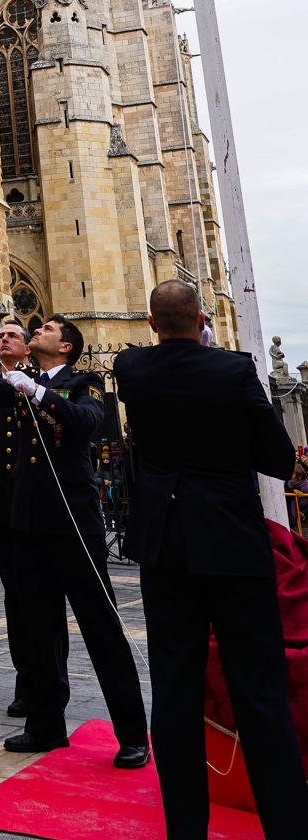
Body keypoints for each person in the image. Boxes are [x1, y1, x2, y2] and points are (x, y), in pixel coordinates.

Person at [115, 280, 308, 838]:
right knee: (259, 691)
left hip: (166, 546)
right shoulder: (233, 371)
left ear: (151, 324)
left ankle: (185, 830)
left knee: (175, 691)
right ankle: (288, 826)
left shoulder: (133, 371)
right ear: (204, 321)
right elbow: (275, 455)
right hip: (230, 543)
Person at [0, 311, 150, 768]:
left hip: (73, 524)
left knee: (100, 626)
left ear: (66, 346)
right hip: (29, 523)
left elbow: (87, 422)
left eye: (47, 329)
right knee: (38, 626)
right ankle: (45, 726)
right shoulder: (20, 380)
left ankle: (132, 733)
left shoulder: (83, 382)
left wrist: (41, 392)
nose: (37, 331)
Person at [0, 320, 68, 719]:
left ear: (28, 349)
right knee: (15, 596)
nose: (2, 339)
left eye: (11, 335)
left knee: (41, 595)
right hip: (1, 505)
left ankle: (51, 681)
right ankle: (25, 679)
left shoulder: (37, 385)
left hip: (32, 503)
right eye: (0, 336)